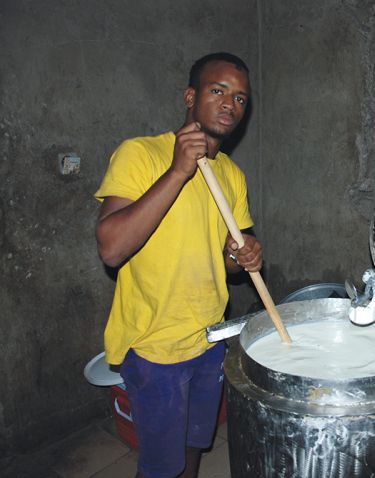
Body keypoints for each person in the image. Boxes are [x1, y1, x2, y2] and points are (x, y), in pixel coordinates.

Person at [94, 52, 261, 478]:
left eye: (240, 98)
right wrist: (177, 171)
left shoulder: (233, 176)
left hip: (208, 338)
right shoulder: (141, 154)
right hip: (154, 347)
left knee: (193, 448)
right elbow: (111, 248)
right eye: (218, 91)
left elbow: (229, 265)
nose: (230, 104)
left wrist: (244, 255)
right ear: (191, 95)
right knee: (159, 467)